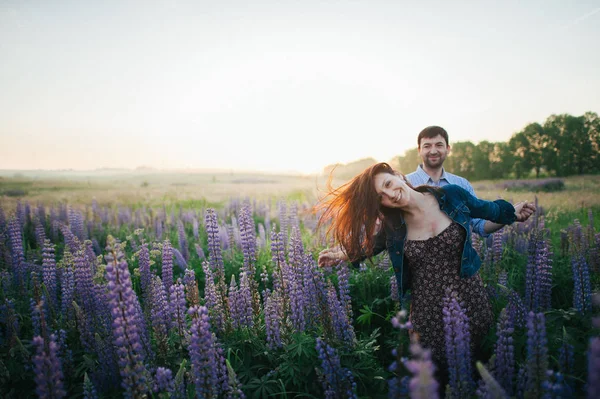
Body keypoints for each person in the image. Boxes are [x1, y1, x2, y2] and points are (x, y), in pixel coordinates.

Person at [316, 162, 536, 390]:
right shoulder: (395, 225)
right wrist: (341, 254)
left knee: (484, 377)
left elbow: (486, 209)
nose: (391, 194)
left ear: (399, 176)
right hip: (428, 318)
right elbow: (370, 246)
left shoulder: (451, 195)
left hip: (471, 303)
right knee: (439, 385)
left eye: (389, 184)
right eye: (381, 196)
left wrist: (512, 212)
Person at [406, 125, 505, 237]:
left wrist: (509, 215)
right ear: (419, 150)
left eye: (439, 145)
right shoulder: (405, 184)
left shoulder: (462, 184)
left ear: (448, 149)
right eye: (427, 146)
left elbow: (479, 224)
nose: (433, 151)